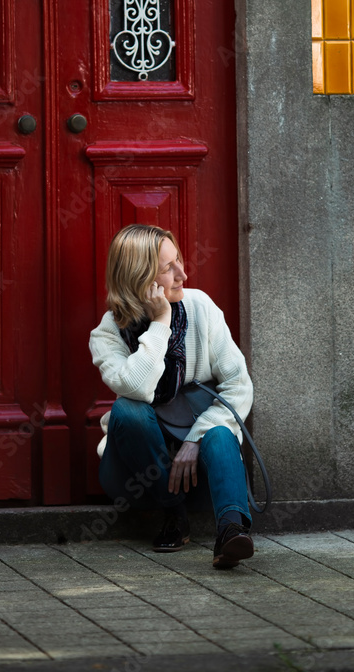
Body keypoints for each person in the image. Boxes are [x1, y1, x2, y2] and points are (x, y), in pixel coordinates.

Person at [89, 223, 254, 569]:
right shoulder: (107, 334)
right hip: (139, 473)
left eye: (178, 260)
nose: (183, 273)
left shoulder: (199, 307)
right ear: (139, 278)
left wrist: (196, 439)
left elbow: (238, 385)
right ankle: (172, 513)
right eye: (168, 268)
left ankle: (231, 531)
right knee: (128, 411)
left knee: (222, 433)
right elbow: (137, 387)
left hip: (199, 467)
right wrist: (161, 321)